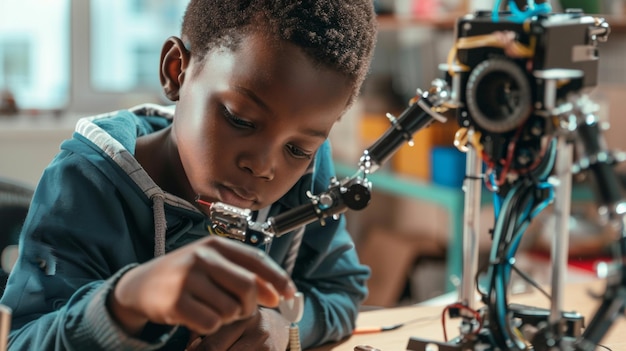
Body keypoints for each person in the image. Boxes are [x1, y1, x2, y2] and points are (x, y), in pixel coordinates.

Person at [0, 1, 378, 350]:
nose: (263, 166)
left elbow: (339, 292)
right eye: (240, 119)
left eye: (297, 149)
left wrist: (285, 328)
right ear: (176, 71)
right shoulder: (86, 181)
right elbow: (18, 340)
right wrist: (124, 302)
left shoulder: (308, 177)